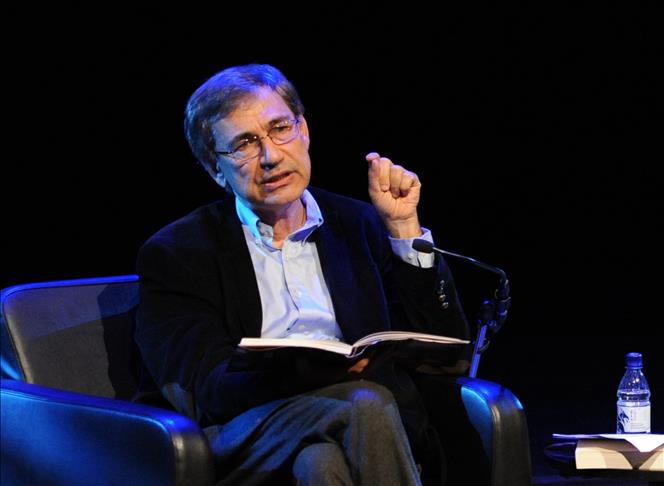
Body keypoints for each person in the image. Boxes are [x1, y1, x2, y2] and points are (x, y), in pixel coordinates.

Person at [134, 63, 469, 486]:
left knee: (320, 464)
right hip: (249, 433)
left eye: (280, 129)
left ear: (304, 131)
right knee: (363, 402)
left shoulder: (360, 224)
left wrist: (404, 231)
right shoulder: (178, 253)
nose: (271, 156)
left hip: (367, 434)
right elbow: (204, 391)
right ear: (215, 168)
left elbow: (446, 356)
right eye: (244, 144)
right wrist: (303, 376)